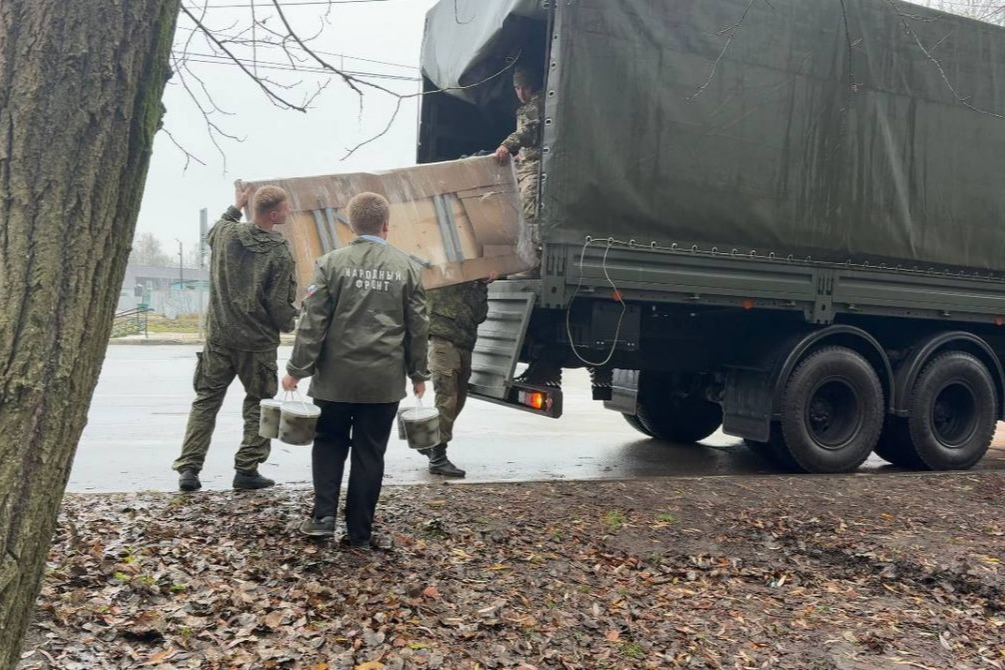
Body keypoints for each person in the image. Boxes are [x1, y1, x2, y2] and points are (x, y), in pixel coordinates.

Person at [282, 192, 429, 548]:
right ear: (386, 225)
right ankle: (359, 533)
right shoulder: (407, 268)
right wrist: (418, 373)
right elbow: (418, 326)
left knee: (329, 443)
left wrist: (297, 370)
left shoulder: (330, 264)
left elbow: (313, 323)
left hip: (335, 380)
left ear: (351, 224)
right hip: (383, 382)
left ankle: (323, 517)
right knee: (369, 452)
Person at [173, 184, 297, 492]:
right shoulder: (278, 251)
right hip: (257, 344)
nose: (289, 211)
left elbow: (216, 228)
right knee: (261, 404)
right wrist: (291, 321)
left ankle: (189, 468)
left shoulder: (226, 234)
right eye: (286, 207)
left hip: (219, 338)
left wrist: (236, 205)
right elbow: (278, 304)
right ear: (273, 215)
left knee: (206, 401)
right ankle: (247, 469)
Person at [423, 272, 498, 478]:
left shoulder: (473, 283)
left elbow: (480, 316)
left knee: (459, 400)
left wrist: (481, 285)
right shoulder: (439, 276)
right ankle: (438, 457)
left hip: (465, 345)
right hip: (443, 343)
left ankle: (429, 442)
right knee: (447, 398)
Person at [495, 64, 543, 240]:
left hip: (536, 168)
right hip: (525, 166)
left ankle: (534, 251)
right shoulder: (527, 106)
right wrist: (520, 155)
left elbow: (529, 131)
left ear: (533, 86)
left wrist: (506, 145)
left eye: (525, 88)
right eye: (517, 88)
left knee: (529, 213)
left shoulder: (538, 103)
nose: (521, 93)